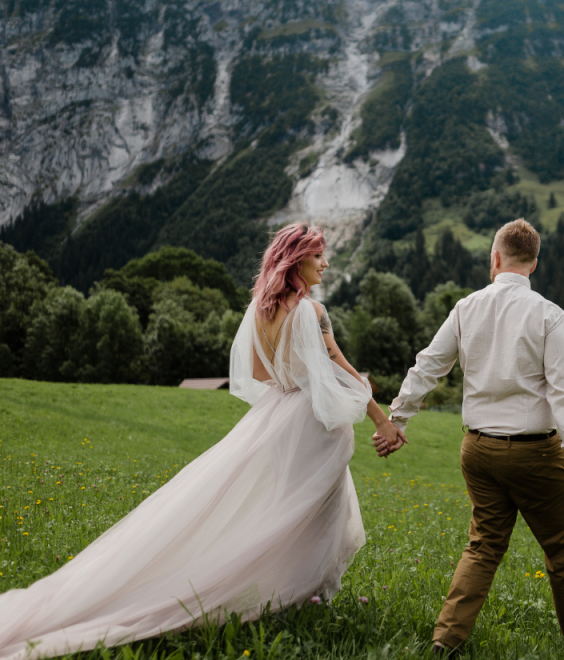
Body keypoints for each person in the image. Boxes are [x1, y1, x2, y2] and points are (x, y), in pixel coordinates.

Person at [0, 223, 404, 660]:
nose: (325, 264)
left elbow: (259, 372)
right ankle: (299, 598)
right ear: (296, 260)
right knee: (317, 511)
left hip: (276, 415)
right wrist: (381, 420)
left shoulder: (261, 309)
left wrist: (292, 378)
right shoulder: (313, 311)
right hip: (308, 421)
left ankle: (294, 596)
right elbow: (341, 366)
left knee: (289, 506)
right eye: (318, 256)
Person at [375, 218, 564, 654]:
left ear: (495, 259)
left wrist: (398, 419)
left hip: (477, 450)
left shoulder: (466, 307)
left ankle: (445, 640)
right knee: (563, 553)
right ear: (534, 264)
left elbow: (428, 366)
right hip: (536, 454)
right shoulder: (549, 314)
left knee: (483, 546)